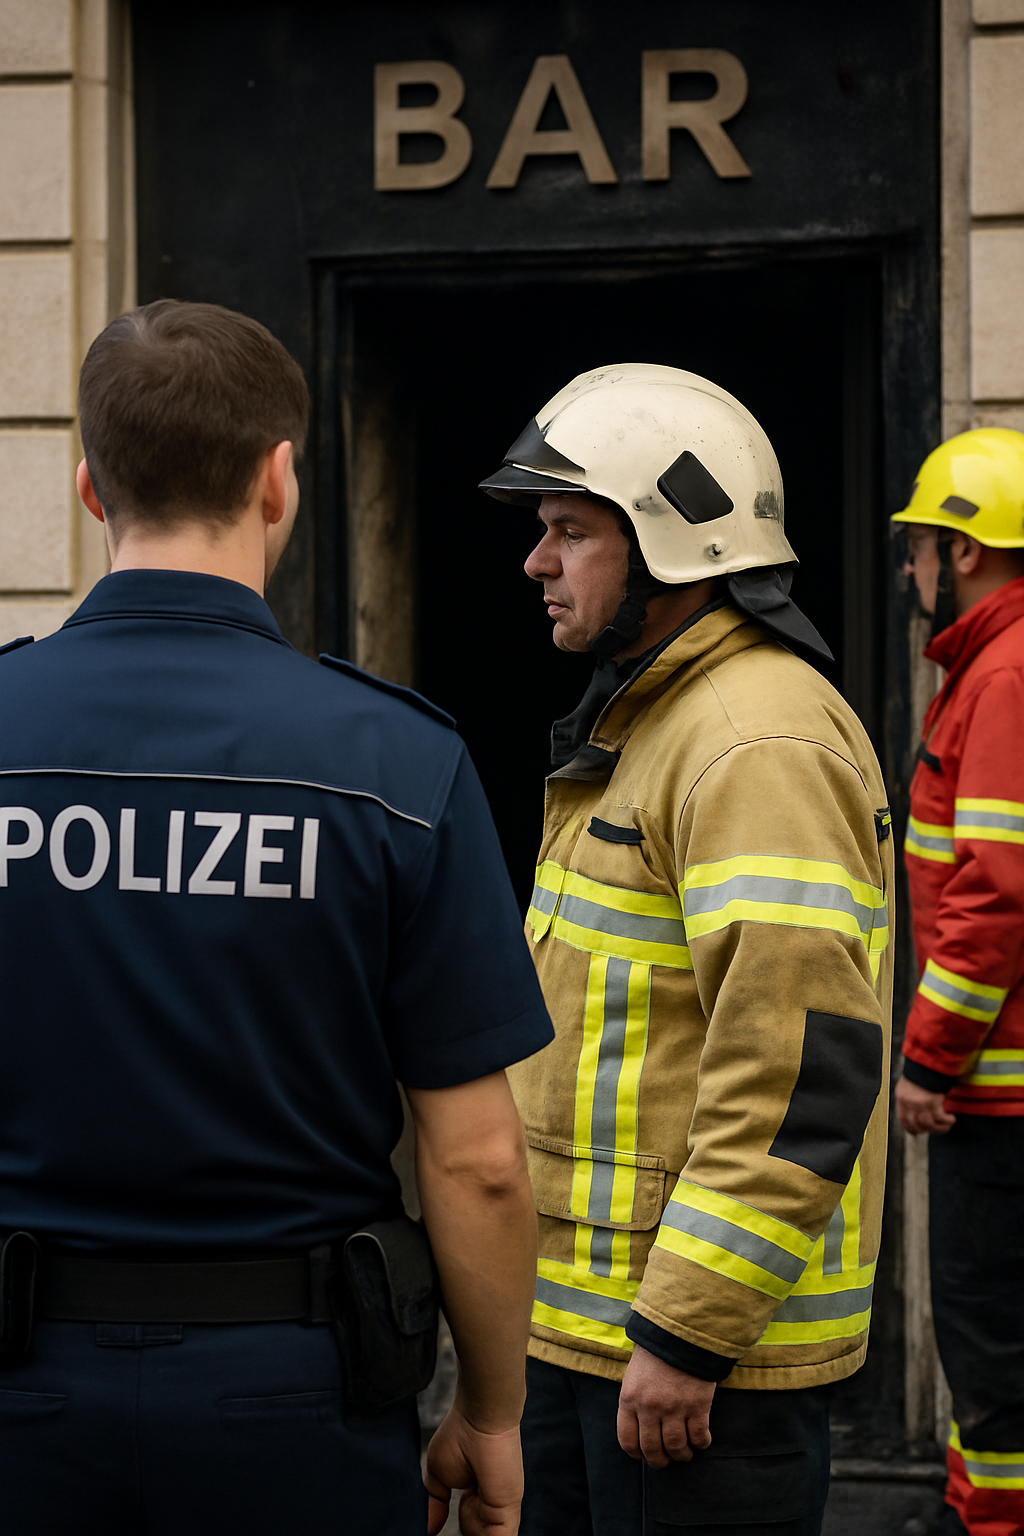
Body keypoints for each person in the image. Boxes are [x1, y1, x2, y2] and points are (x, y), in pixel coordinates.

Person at [0, 299, 553, 1536]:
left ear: (90, 487)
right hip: (292, 1401)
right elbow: (475, 1159)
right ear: (278, 480)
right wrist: (493, 1412)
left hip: (20, 1391)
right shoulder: (393, 761)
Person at [478, 363, 895, 1536]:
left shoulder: (751, 739)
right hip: (593, 1339)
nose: (536, 561)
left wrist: (687, 1328)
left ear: (677, 545)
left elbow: (801, 1067)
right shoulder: (654, 720)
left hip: (687, 1375)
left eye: (569, 530)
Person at [892, 428, 1024, 1536]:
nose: (909, 569)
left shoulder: (1004, 675)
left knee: (992, 1356)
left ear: (967, 550)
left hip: (998, 1098)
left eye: (922, 545)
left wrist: (929, 1058)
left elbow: (994, 892)